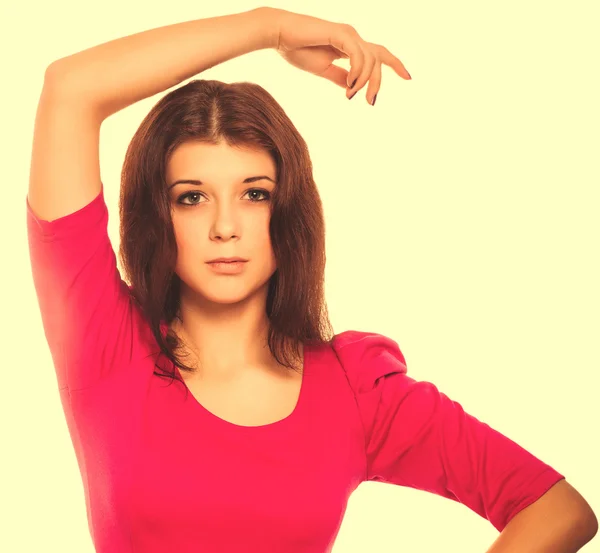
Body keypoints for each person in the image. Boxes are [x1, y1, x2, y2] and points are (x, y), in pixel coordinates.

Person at [26, 6, 596, 553]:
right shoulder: (106, 342)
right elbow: (70, 89)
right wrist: (269, 28)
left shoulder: (353, 389)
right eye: (192, 198)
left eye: (255, 194)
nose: (226, 227)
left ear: (287, 211)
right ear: (159, 215)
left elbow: (555, 509)